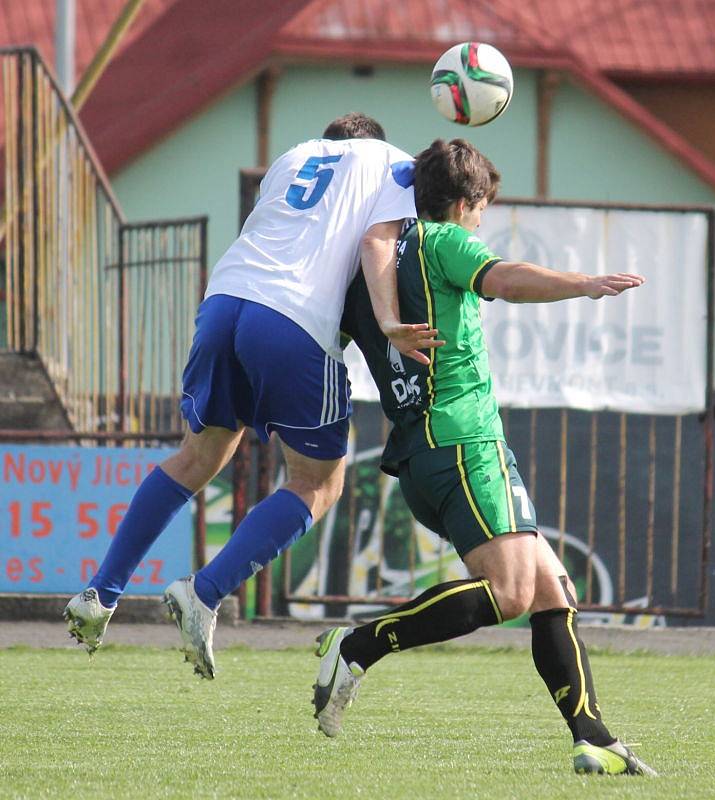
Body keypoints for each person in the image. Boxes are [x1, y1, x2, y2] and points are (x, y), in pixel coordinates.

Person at [312, 138, 656, 777]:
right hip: (464, 441)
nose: (481, 221)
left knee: (553, 589)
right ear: (466, 202)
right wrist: (585, 284)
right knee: (511, 591)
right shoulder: (440, 239)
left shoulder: (370, 267)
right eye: (482, 208)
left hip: (422, 453)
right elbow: (505, 279)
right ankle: (356, 646)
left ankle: (593, 737)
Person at [64, 113, 441, 678]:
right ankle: (206, 592)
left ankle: (100, 594)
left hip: (224, 299)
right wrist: (387, 322)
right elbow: (377, 242)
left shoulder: (291, 158)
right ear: (371, 140)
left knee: (198, 456)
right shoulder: (391, 161)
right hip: (293, 319)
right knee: (318, 481)